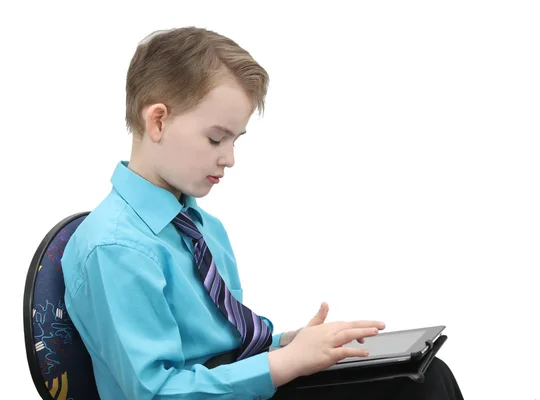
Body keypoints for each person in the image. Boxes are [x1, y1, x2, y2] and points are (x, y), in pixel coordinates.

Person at [61, 26, 464, 399]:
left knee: (423, 373)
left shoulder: (203, 229)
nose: (230, 158)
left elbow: (228, 346)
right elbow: (156, 391)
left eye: (236, 140)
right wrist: (284, 363)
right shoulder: (115, 248)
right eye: (216, 138)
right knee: (420, 390)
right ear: (159, 121)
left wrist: (292, 344)